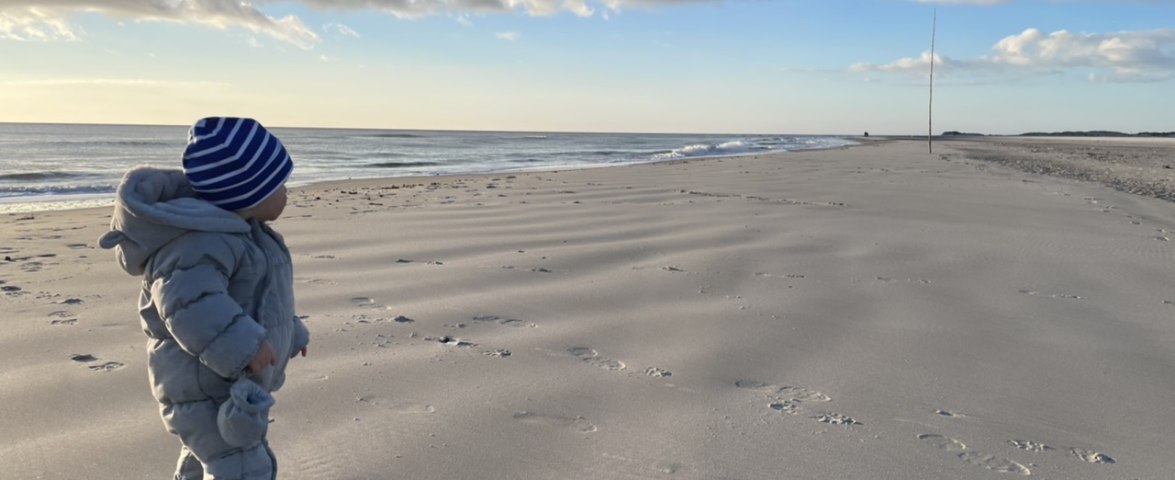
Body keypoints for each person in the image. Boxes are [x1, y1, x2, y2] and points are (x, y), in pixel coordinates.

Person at [99, 117, 310, 480]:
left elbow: (260, 297)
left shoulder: (245, 233)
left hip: (223, 381)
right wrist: (245, 346)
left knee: (213, 454)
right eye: (280, 185)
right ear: (249, 192)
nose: (287, 193)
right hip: (205, 386)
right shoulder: (201, 242)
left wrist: (290, 331)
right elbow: (187, 305)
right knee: (243, 466)